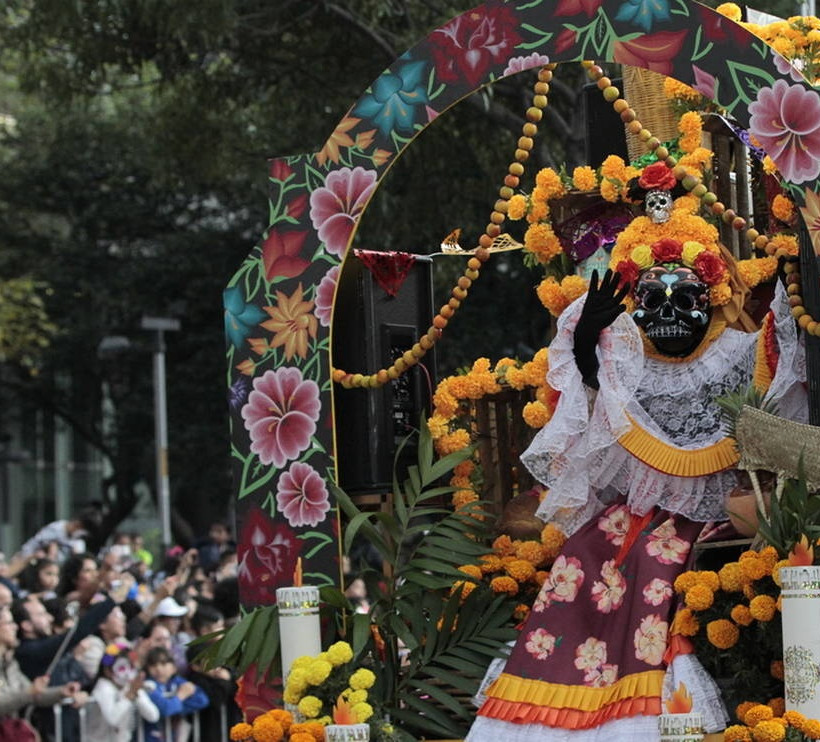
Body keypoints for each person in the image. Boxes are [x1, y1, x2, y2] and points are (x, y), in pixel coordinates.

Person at [467, 162, 806, 742]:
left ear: (714, 293)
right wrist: (586, 355)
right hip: (632, 520)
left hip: (727, 518)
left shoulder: (746, 351)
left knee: (656, 558)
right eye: (651, 297)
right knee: (585, 555)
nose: (669, 310)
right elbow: (590, 426)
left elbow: (783, 405)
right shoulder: (622, 360)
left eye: (686, 295)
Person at [0, 606, 85, 742]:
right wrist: (29, 692)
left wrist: (61, 692)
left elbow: (35, 695)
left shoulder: (10, 663)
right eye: (9, 623)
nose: (15, 627)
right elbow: (27, 693)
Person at [86, 640, 160, 742]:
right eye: (122, 668)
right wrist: (129, 695)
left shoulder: (130, 686)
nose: (128, 673)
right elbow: (112, 718)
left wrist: (136, 694)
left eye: (132, 667)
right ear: (107, 671)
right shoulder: (103, 687)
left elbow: (153, 716)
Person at [143, 646, 209, 742]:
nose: (158, 669)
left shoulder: (178, 682)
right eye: (153, 665)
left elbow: (202, 700)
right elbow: (166, 709)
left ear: (173, 667)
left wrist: (174, 706)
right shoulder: (148, 685)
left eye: (163, 663)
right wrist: (180, 696)